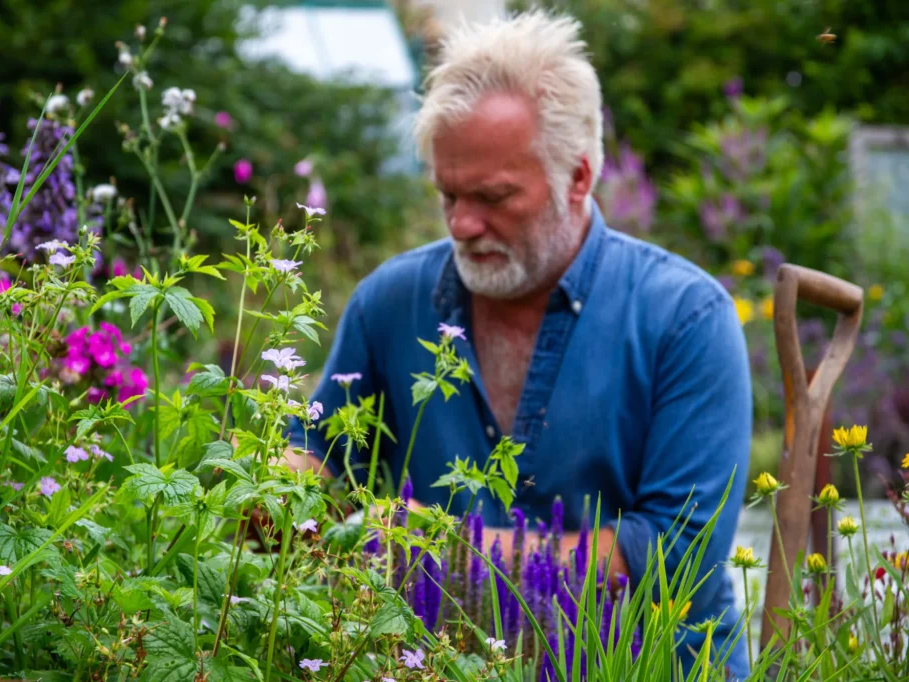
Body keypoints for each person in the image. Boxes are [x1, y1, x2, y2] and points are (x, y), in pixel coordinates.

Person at [284, 9, 751, 678]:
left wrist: (437, 553)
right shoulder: (392, 302)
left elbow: (675, 567)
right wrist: (263, 489)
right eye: (447, 192)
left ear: (579, 177)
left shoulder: (685, 319)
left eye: (495, 196)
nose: (462, 223)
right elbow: (319, 463)